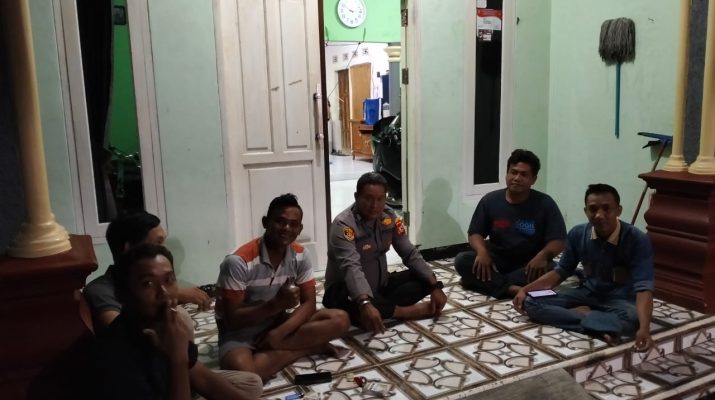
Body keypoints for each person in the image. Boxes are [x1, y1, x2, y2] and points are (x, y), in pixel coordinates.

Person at [93, 243, 263, 400]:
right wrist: (178, 358)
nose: (164, 293)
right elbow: (183, 367)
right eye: (147, 284)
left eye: (169, 280)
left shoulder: (165, 325)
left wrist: (181, 358)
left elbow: (202, 378)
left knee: (251, 385)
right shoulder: (117, 356)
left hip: (176, 386)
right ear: (123, 295)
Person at [216, 194, 350, 380]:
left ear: (299, 229)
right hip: (241, 331)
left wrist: (279, 332)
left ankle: (276, 344)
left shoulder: (300, 254)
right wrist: (276, 305)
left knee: (340, 320)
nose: (286, 228)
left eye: (293, 224)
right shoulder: (238, 261)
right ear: (265, 222)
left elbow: (309, 303)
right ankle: (306, 348)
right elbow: (232, 320)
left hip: (277, 323)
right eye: (280, 222)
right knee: (245, 374)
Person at [513, 184, 654, 351]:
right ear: (586, 211)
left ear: (619, 210)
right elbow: (561, 271)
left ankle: (587, 318)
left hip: (620, 301)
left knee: (634, 319)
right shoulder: (578, 233)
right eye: (593, 209)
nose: (599, 215)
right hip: (586, 293)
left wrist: (644, 329)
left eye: (606, 208)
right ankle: (594, 322)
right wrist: (526, 290)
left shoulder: (637, 239)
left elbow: (644, 288)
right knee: (532, 301)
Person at [323, 172, 447, 335]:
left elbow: (409, 252)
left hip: (381, 287)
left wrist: (434, 286)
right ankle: (404, 312)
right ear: (356, 197)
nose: (374, 205)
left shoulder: (389, 216)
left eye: (380, 199)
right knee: (348, 298)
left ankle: (380, 310)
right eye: (368, 198)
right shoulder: (344, 225)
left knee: (423, 278)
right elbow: (351, 268)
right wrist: (365, 302)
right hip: (346, 291)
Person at [454, 149, 567, 298]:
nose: (517, 178)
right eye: (513, 172)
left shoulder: (545, 203)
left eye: (524, 174)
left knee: (552, 269)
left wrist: (543, 255)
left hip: (529, 264)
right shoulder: (490, 200)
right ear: (506, 174)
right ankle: (512, 289)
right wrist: (482, 252)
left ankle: (484, 283)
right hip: (496, 261)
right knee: (462, 260)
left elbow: (559, 240)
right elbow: (475, 233)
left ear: (534, 179)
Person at [84, 211, 212, 331]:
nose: (165, 250)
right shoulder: (100, 291)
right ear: (129, 249)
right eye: (158, 243)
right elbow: (122, 335)